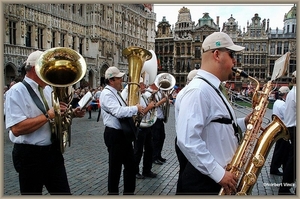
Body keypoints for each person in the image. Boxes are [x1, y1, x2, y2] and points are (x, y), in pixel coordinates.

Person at [175, 32, 250, 195]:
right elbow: (188, 140)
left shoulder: (211, 88)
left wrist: (245, 122)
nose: (234, 61)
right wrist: (219, 174)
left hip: (214, 179)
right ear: (217, 54)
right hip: (205, 183)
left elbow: (218, 126)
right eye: (231, 55)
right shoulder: (198, 90)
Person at [4, 50, 86, 195]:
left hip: (52, 153)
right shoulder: (16, 91)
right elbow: (16, 128)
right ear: (37, 68)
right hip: (30, 155)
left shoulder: (48, 89)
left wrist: (72, 114)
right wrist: (48, 115)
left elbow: (56, 116)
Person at [99, 66, 144, 195]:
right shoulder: (107, 94)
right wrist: (135, 108)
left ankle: (128, 192)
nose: (122, 80)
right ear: (111, 80)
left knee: (130, 166)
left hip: (122, 134)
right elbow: (118, 112)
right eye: (119, 78)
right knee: (115, 167)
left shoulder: (115, 92)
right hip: (114, 134)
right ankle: (113, 193)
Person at [174, 69, 198, 193]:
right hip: (185, 140)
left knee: (184, 172)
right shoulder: (188, 94)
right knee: (186, 173)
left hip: (182, 138)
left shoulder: (184, 92)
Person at [133, 78, 157, 179]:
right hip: (140, 127)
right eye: (143, 85)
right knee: (138, 151)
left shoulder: (143, 96)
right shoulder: (135, 98)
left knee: (150, 149)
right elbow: (139, 114)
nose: (145, 86)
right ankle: (135, 171)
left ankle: (147, 170)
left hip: (147, 126)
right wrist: (150, 107)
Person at [278, 71, 296, 195]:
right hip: (295, 128)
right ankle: (285, 188)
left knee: (293, 159)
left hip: (292, 127)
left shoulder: (292, 92)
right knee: (293, 160)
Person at [269, 86, 290, 176]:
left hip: (278, 128)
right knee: (281, 150)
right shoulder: (283, 104)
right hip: (283, 129)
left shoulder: (277, 102)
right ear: (286, 94)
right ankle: (275, 167)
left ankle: (276, 166)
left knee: (279, 149)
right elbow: (288, 116)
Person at [147, 83, 168, 165]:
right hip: (154, 119)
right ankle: (154, 157)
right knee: (155, 139)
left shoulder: (159, 92)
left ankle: (158, 155)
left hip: (160, 119)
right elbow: (152, 106)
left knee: (161, 137)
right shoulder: (149, 92)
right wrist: (162, 101)